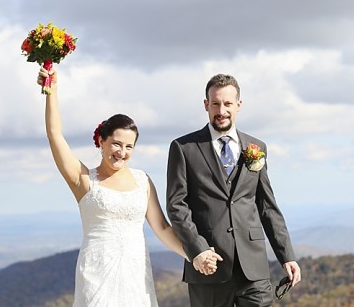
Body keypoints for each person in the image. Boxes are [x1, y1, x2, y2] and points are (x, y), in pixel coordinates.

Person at [37, 67, 219, 307]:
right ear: (101, 141)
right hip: (96, 275)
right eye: (116, 144)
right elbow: (55, 134)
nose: (122, 152)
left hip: (135, 276)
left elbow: (162, 228)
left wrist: (194, 254)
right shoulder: (83, 180)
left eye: (129, 147)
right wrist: (51, 91)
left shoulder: (142, 181)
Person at [166, 73, 302, 307]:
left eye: (228, 103)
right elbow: (177, 206)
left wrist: (286, 255)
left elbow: (267, 207)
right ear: (206, 105)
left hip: (254, 268)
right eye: (215, 104)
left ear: (239, 105)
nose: (222, 111)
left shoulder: (256, 147)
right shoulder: (183, 148)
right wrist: (198, 249)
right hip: (209, 266)